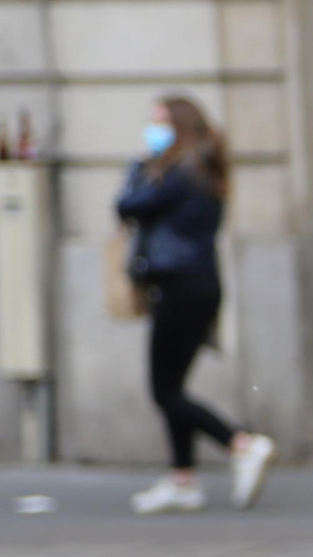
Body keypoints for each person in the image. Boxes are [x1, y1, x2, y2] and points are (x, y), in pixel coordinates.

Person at [115, 94, 274, 516]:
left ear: (180, 126)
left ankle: (240, 443)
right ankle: (182, 480)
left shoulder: (177, 174)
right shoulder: (202, 168)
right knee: (172, 388)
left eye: (160, 121)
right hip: (198, 284)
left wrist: (137, 165)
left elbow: (127, 205)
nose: (152, 128)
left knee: (164, 390)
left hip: (180, 287)